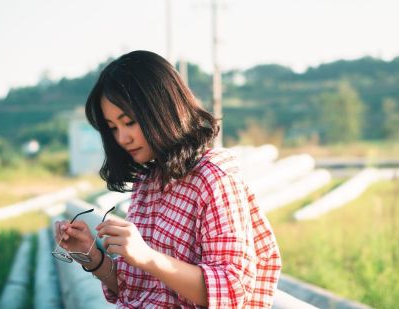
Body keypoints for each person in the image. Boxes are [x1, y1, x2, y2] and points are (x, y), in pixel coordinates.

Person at [55, 50, 281, 308]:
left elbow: (231, 291)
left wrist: (148, 257)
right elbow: (138, 290)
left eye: (129, 122)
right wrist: (89, 255)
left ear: (161, 109)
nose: (122, 138)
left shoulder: (213, 179)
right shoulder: (148, 181)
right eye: (113, 128)